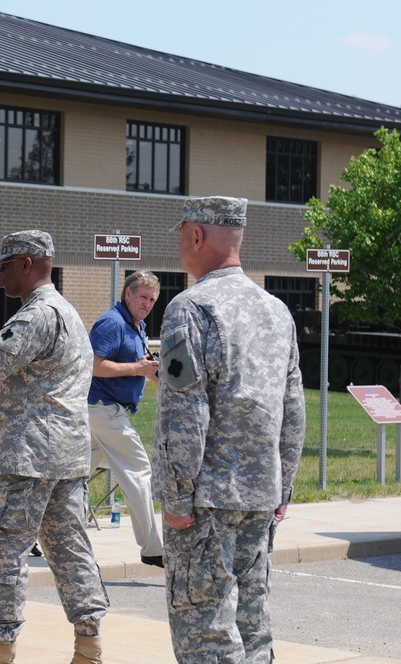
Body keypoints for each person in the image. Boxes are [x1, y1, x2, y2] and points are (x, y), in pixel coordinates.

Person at [0, 230, 110, 664]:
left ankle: (0, 652)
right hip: (65, 456)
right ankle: (89, 648)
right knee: (70, 549)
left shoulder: (37, 315)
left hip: (28, 457)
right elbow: (33, 384)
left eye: (4, 265)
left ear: (27, 264)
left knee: (5, 554)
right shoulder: (67, 312)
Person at [152, 196, 305, 663]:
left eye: (182, 236)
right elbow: (292, 408)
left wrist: (176, 497)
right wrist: (283, 488)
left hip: (205, 501)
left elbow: (186, 410)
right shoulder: (277, 311)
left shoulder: (191, 307)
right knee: (252, 625)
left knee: (206, 633)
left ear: (198, 236)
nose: (180, 246)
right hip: (260, 495)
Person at [87, 270, 165, 567]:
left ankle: (23, 533)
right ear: (128, 294)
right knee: (139, 472)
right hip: (103, 409)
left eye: (152, 299)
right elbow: (94, 365)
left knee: (68, 477)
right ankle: (153, 549)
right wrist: (137, 369)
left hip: (101, 414)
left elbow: (138, 365)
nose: (147, 303)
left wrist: (154, 373)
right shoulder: (112, 322)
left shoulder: (136, 325)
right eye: (143, 297)